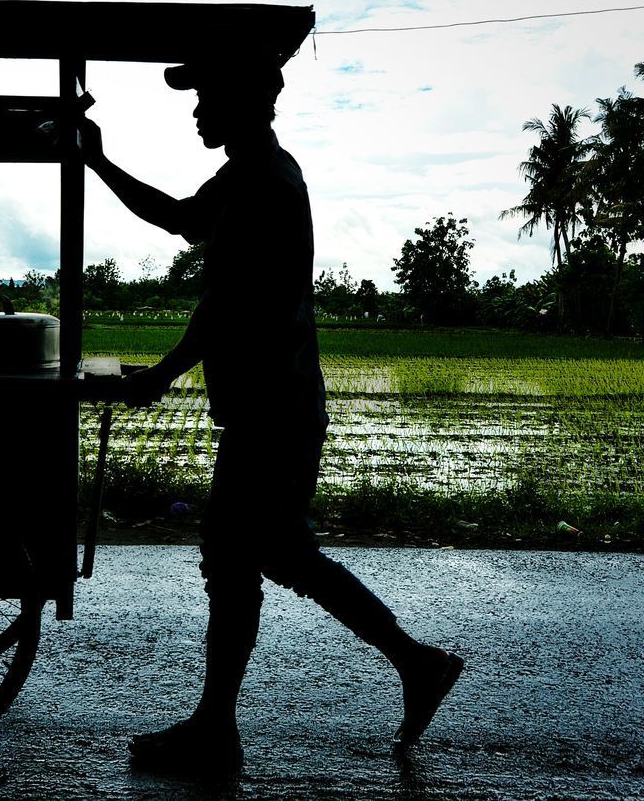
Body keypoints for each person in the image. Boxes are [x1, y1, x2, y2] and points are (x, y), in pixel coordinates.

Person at [79, 50, 464, 774]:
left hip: (271, 411)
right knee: (282, 552)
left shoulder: (264, 184)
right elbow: (181, 218)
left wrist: (160, 375)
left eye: (207, 100)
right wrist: (98, 162)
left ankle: (215, 731)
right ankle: (416, 663)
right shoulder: (248, 174)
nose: (196, 113)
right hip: (278, 405)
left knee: (233, 559)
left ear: (249, 102)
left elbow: (224, 307)